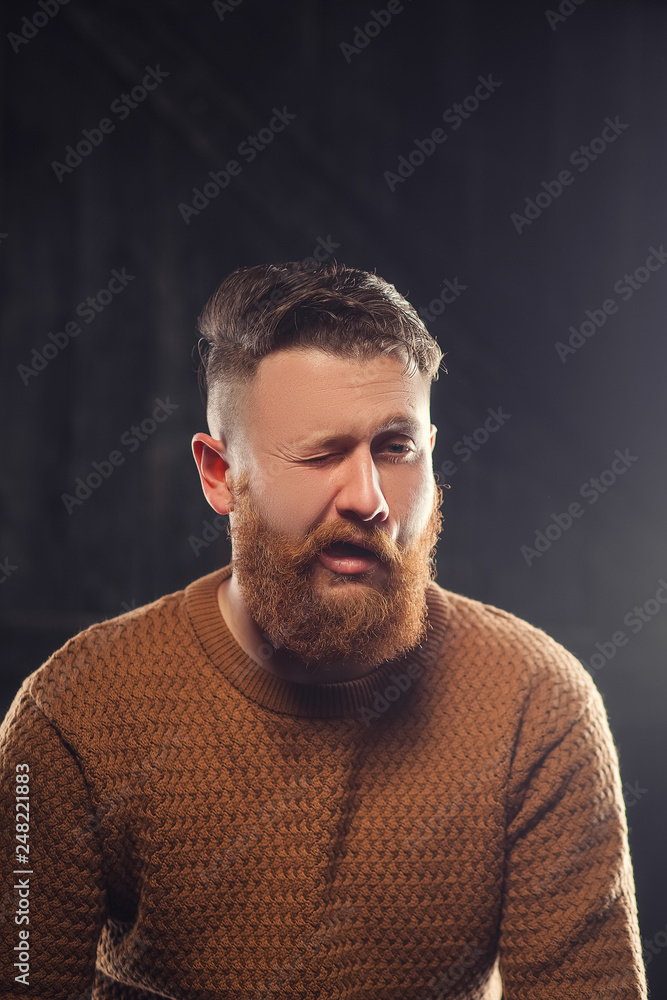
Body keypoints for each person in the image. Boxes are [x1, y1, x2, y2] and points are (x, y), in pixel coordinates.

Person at [0, 261, 647, 999]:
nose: (369, 498)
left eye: (396, 448)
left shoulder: (538, 706)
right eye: (320, 454)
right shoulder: (73, 715)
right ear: (219, 475)